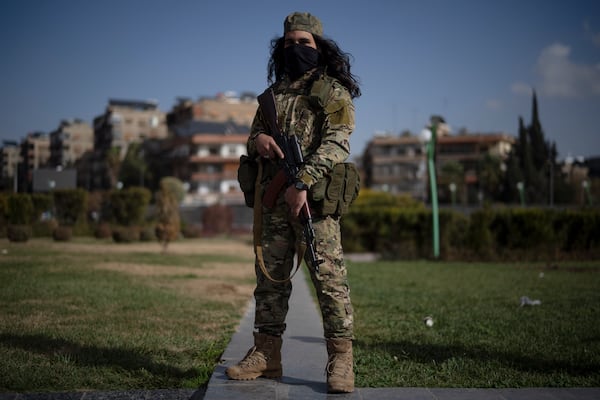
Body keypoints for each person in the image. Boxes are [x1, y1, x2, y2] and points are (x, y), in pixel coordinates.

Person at [226, 11, 361, 394]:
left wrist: (302, 181)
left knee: (329, 279)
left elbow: (338, 143)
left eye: (305, 43)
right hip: (274, 201)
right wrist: (259, 143)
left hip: (313, 202)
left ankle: (341, 361)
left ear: (319, 47)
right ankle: (266, 355)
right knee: (269, 280)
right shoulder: (274, 95)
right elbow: (253, 136)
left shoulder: (333, 92)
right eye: (290, 43)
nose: (297, 49)